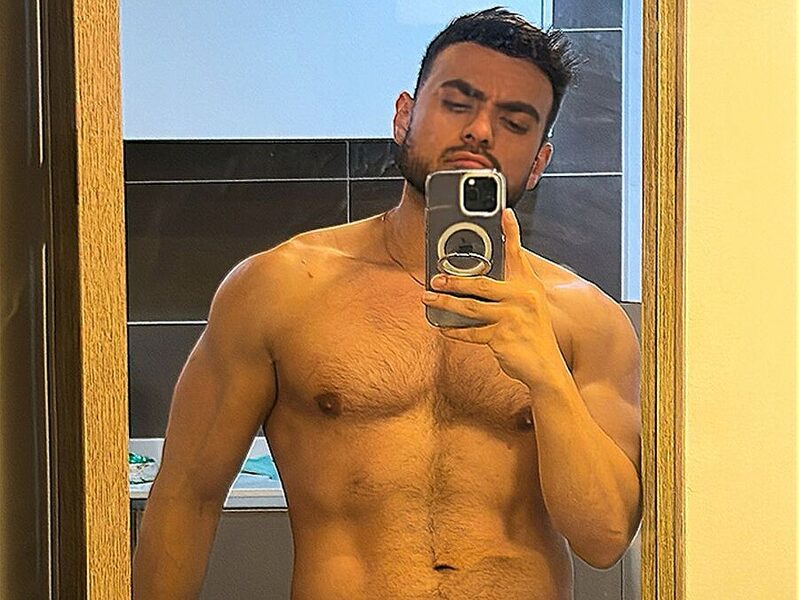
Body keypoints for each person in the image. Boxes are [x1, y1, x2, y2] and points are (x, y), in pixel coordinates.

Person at [132, 8, 642, 600]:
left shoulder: (585, 319)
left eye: (514, 121)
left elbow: (605, 539)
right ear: (404, 117)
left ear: (538, 162)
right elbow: (186, 499)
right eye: (458, 102)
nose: (480, 131)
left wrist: (546, 374)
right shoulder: (281, 288)